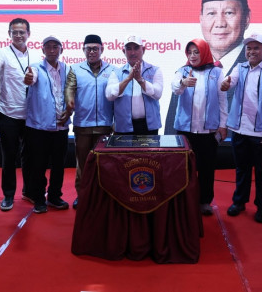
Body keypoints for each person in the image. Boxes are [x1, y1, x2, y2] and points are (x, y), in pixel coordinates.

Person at [165, 0, 250, 133]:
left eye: (229, 13)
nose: (220, 23)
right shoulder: (185, 71)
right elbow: (171, 129)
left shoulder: (258, 70)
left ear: (246, 18)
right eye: (211, 13)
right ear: (201, 19)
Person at [221, 33, 262, 223]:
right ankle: (239, 202)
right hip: (239, 130)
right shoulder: (240, 68)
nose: (252, 51)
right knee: (242, 169)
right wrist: (225, 83)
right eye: (249, 48)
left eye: (256, 48)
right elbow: (230, 81)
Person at [0, 18, 41, 211]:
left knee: (31, 156)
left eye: (22, 32)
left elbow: (37, 75)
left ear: (29, 34)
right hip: (8, 114)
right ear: (9, 34)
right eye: (15, 32)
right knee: (9, 157)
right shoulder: (2, 53)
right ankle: (8, 195)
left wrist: (32, 78)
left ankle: (29, 191)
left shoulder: (36, 55)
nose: (18, 35)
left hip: (31, 115)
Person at [172, 38, 227, 216]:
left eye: (196, 52)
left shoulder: (217, 72)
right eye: (190, 52)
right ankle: (185, 200)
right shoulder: (182, 71)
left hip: (208, 130)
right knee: (184, 168)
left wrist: (223, 125)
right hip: (185, 130)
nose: (193, 55)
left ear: (204, 53)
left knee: (206, 168)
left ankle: (204, 201)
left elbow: (223, 100)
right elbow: (175, 89)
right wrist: (183, 83)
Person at [64, 34, 115, 209]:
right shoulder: (75, 69)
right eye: (88, 49)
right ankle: (83, 196)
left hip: (105, 127)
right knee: (83, 165)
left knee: (104, 165)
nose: (92, 52)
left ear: (102, 49)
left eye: (95, 48)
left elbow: (116, 97)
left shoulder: (112, 70)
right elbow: (69, 88)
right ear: (83, 50)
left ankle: (102, 197)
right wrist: (70, 102)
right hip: (82, 126)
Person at [23, 36, 71, 213]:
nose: (52, 50)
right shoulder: (35, 68)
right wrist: (28, 78)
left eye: (55, 47)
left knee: (58, 165)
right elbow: (30, 78)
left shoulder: (68, 69)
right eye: (48, 47)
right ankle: (38, 199)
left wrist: (70, 111)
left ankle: (54, 196)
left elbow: (71, 93)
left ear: (61, 50)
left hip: (61, 126)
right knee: (38, 165)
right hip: (39, 127)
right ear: (42, 50)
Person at [105, 35, 163, 135]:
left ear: (143, 50)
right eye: (129, 49)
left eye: (136, 48)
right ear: (124, 51)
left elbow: (157, 94)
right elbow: (109, 96)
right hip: (124, 126)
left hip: (149, 126)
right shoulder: (116, 73)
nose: (132, 53)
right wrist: (128, 79)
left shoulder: (155, 70)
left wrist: (140, 80)